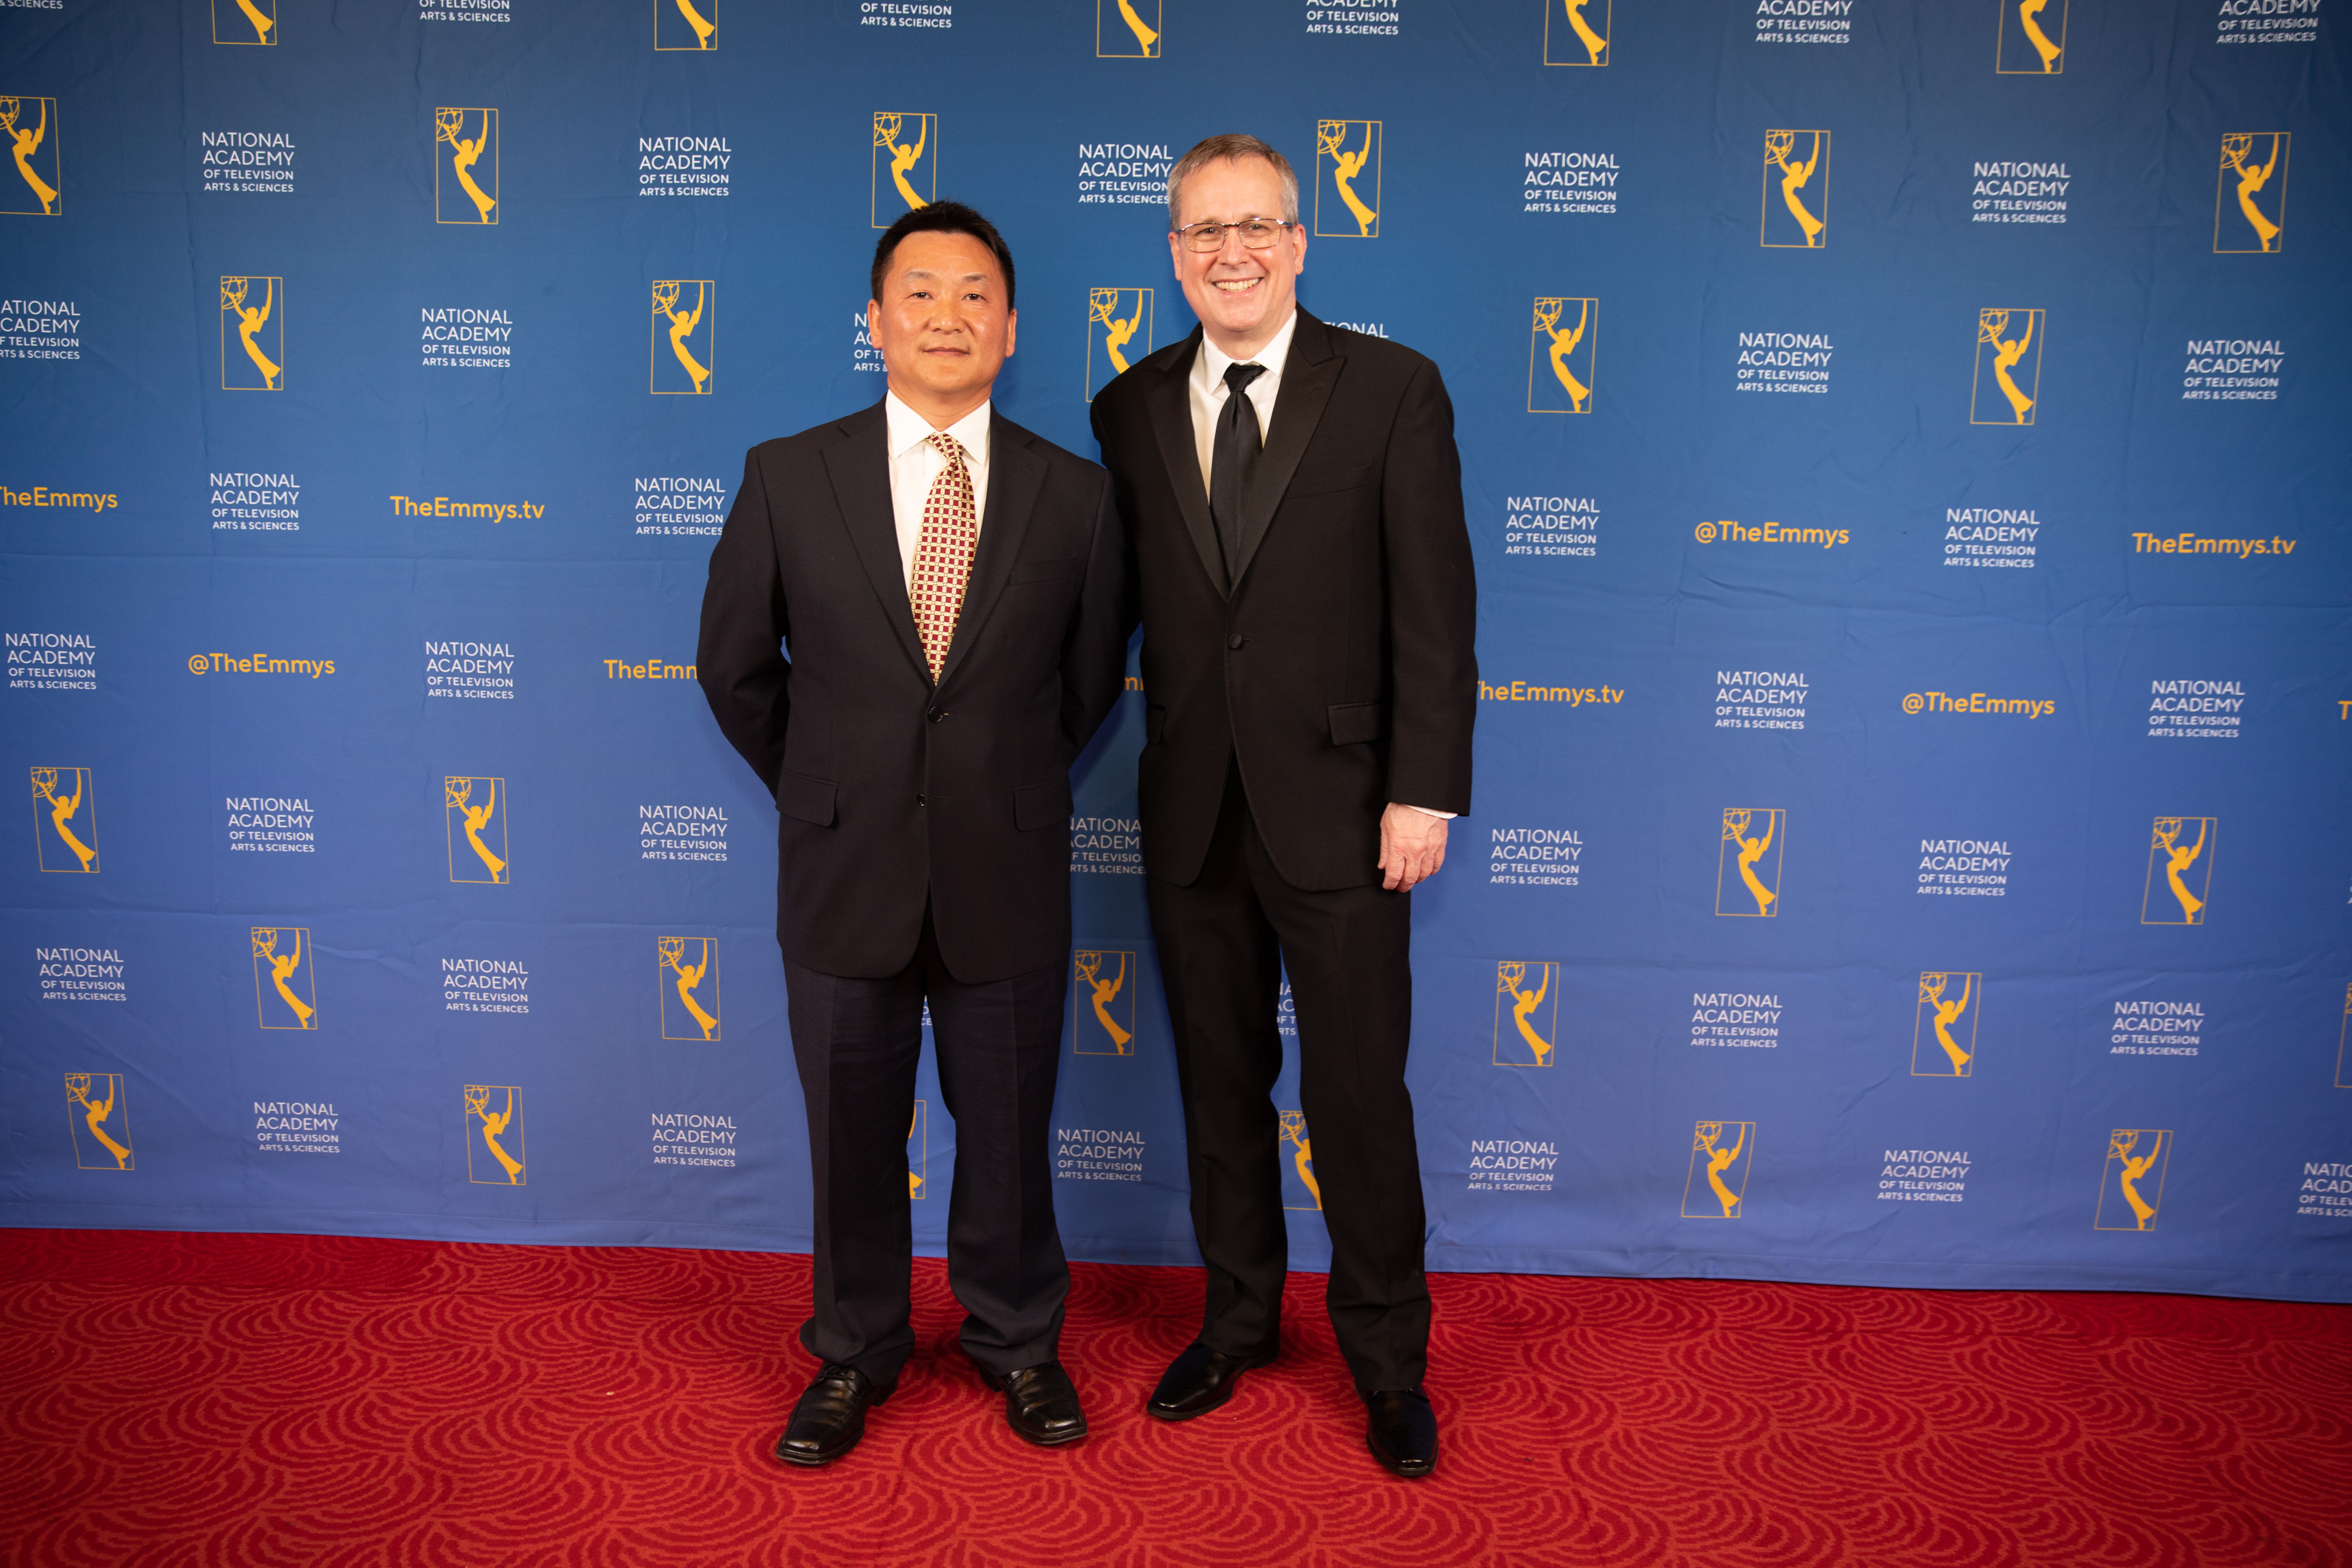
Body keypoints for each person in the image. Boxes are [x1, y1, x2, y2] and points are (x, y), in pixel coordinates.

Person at [697, 200, 1128, 1467]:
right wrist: (828, 783)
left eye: (975, 294)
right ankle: (853, 1350)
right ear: (874, 323)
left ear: (1012, 328)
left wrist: (997, 780)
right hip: (844, 868)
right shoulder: (788, 474)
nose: (950, 315)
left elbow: (1086, 686)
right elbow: (734, 667)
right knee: (848, 1134)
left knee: (1009, 1131)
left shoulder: (1078, 497)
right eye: (922, 293)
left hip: (1006, 866)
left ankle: (1019, 1341)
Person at [1087, 133, 1477, 1479]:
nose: (1232, 251)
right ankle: (1238, 1318)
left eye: (1256, 225)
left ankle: (1387, 1359)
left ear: (1301, 242)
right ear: (1173, 252)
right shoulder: (1127, 407)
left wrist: (1421, 790)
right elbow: (1107, 617)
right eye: (1205, 230)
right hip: (1191, 811)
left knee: (1356, 1092)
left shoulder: (1391, 389)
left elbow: (1435, 612)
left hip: (1350, 812)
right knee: (1217, 1083)